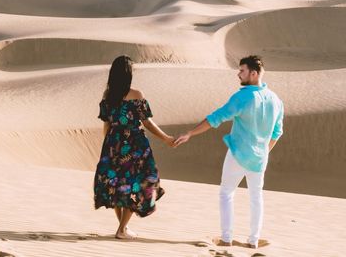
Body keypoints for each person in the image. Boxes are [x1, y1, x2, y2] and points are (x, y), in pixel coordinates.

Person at [174, 55, 284, 248]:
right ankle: (253, 241)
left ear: (254, 73)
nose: (238, 74)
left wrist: (190, 133)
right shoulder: (276, 100)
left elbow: (216, 118)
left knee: (226, 193)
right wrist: (264, 151)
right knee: (256, 197)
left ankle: (226, 238)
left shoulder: (243, 96)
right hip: (260, 158)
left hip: (238, 155)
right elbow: (277, 132)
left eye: (242, 70)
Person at [94, 55, 175, 240]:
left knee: (118, 186)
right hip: (135, 146)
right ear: (128, 74)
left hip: (113, 144)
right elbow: (146, 122)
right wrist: (165, 138)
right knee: (139, 184)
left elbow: (106, 125)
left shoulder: (107, 97)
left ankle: (123, 227)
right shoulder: (136, 95)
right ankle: (121, 229)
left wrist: (108, 149)